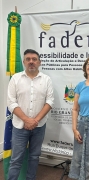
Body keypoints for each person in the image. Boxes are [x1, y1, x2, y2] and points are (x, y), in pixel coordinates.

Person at [7, 49, 54, 180]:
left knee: (34, 156)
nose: (31, 62)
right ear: (24, 62)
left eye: (34, 59)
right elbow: (11, 103)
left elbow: (50, 101)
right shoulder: (15, 79)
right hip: (19, 127)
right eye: (28, 59)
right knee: (16, 159)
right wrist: (26, 120)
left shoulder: (46, 79)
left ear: (39, 62)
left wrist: (35, 120)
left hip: (39, 127)